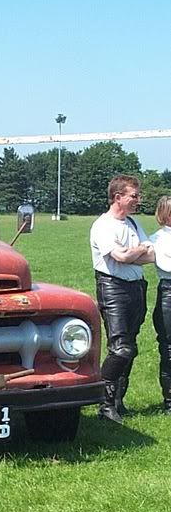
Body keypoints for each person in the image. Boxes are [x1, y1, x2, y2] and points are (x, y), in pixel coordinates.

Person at [90, 174, 153, 422]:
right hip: (113, 288)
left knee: (132, 347)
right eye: (133, 196)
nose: (138, 200)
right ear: (118, 197)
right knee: (120, 348)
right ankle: (104, 403)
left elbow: (151, 256)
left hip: (136, 287)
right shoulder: (103, 226)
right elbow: (121, 257)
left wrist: (132, 253)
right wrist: (137, 252)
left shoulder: (134, 224)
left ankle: (118, 401)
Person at [150, 196, 171, 413]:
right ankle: (169, 401)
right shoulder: (157, 239)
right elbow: (166, 264)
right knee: (169, 349)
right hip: (168, 293)